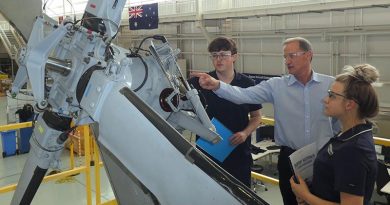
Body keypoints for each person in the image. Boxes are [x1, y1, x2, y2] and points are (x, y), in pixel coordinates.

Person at [193, 37, 340, 205]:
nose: (287, 61)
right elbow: (243, 95)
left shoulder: (331, 85)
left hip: (323, 157)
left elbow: (339, 122)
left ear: (308, 55)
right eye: (285, 57)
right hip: (290, 159)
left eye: (292, 55)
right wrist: (217, 85)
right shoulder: (277, 86)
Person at [290, 64, 379, 205]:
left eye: (332, 95)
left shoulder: (353, 150)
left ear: (349, 104)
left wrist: (306, 195)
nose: (325, 99)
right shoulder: (348, 134)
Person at [188, 37, 262, 187]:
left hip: (238, 152)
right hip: (209, 150)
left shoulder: (247, 84)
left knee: (240, 195)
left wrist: (245, 133)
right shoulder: (199, 83)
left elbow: (256, 116)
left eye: (223, 54)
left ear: (234, 56)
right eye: (214, 55)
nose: (218, 59)